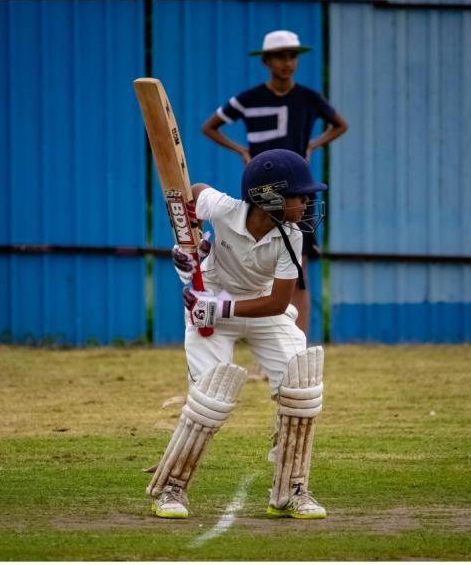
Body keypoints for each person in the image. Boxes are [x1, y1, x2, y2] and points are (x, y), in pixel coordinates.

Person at [146, 149, 328, 520]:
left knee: (301, 385)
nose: (307, 202)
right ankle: (171, 489)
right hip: (210, 301)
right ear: (270, 197)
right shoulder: (227, 208)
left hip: (257, 308)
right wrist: (191, 242)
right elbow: (194, 191)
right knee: (209, 399)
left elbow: (278, 303)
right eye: (301, 195)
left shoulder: (291, 234)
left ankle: (292, 491)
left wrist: (222, 308)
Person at [202, 29, 347, 338]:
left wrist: (313, 145)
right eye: (280, 56)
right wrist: (241, 150)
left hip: (297, 196)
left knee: (298, 275)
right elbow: (209, 127)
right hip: (263, 194)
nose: (287, 62)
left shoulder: (308, 98)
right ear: (266, 61)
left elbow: (341, 124)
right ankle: (263, 352)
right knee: (259, 273)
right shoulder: (248, 99)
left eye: (292, 55)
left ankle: (298, 347)